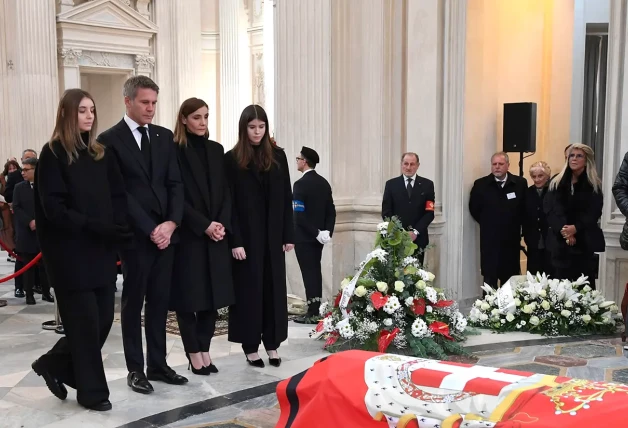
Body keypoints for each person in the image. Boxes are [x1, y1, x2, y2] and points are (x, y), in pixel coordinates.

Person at [30, 88, 131, 411]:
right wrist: (93, 225)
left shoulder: (101, 153)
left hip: (100, 251)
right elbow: (54, 208)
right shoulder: (53, 154)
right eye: (82, 110)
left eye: (91, 109)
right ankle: (92, 393)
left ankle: (54, 362)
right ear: (66, 115)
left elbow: (118, 195)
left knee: (101, 321)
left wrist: (117, 226)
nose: (89, 116)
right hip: (69, 255)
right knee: (84, 325)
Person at [97, 76, 186, 394]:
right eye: (145, 102)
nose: (151, 108)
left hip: (167, 236)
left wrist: (172, 223)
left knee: (161, 302)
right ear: (128, 101)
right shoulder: (108, 140)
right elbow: (118, 194)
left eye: (154, 103)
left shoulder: (164, 137)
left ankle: (159, 365)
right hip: (135, 238)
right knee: (133, 304)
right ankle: (135, 369)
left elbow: (176, 183)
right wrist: (151, 229)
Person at [225, 104, 294, 368]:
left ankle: (273, 344)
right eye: (252, 127)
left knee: (274, 292)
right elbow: (229, 204)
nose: (257, 132)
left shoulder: (278, 157)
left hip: (273, 236)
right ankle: (250, 346)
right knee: (249, 293)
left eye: (261, 127)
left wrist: (289, 234)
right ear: (244, 129)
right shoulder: (232, 159)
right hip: (247, 239)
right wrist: (236, 241)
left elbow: (287, 197)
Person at [171, 98, 235, 375]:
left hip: (216, 235)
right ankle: (193, 352)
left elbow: (225, 192)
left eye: (206, 117)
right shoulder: (174, 151)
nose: (203, 123)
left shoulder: (216, 149)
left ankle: (205, 349)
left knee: (212, 298)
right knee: (189, 299)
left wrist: (220, 224)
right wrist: (204, 224)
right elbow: (176, 197)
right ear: (184, 119)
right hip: (190, 236)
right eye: (197, 117)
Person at [544, 144, 605, 287]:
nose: (574, 159)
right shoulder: (556, 182)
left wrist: (575, 228)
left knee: (583, 287)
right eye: (572, 155)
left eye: (579, 156)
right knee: (559, 288)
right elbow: (549, 210)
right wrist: (565, 231)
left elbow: (594, 212)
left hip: (583, 243)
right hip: (559, 244)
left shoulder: (593, 184)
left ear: (587, 160)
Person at [469, 151, 527, 288]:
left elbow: (524, 208)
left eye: (500, 164)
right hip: (490, 239)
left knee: (510, 276)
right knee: (490, 277)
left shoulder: (519, 183)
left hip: (511, 239)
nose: (497, 167)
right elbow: (474, 209)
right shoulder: (481, 184)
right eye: (494, 164)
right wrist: (488, 223)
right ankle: (488, 308)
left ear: (508, 165)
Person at [293, 146, 336, 324]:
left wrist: (316, 232)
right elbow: (331, 211)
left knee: (308, 273)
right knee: (314, 272)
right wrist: (326, 232)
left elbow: (299, 215)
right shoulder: (323, 182)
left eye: (298, 158)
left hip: (304, 237)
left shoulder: (300, 184)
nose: (297, 161)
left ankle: (312, 312)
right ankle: (315, 309)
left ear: (304, 162)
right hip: (319, 238)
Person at [12, 157, 54, 304]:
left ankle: (46, 292)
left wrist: (40, 221)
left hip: (43, 233)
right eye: (22, 169)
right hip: (26, 233)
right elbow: (16, 207)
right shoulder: (19, 188)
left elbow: (51, 205)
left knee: (45, 266)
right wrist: (29, 221)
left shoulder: (46, 186)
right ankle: (28, 293)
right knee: (27, 266)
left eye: (26, 169)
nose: (22, 172)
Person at [382, 152, 435, 266]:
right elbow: (386, 212)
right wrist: (400, 232)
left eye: (412, 164)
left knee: (416, 277)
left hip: (418, 239)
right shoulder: (391, 185)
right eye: (406, 164)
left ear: (417, 165)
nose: (408, 167)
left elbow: (429, 213)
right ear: (401, 164)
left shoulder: (427, 185)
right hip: (396, 239)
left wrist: (415, 232)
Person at [522, 161, 552, 277]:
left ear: (547, 176)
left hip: (550, 238)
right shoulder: (528, 192)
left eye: (540, 176)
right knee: (533, 272)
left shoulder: (553, 191)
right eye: (534, 176)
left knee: (549, 272)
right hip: (533, 238)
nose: (537, 179)